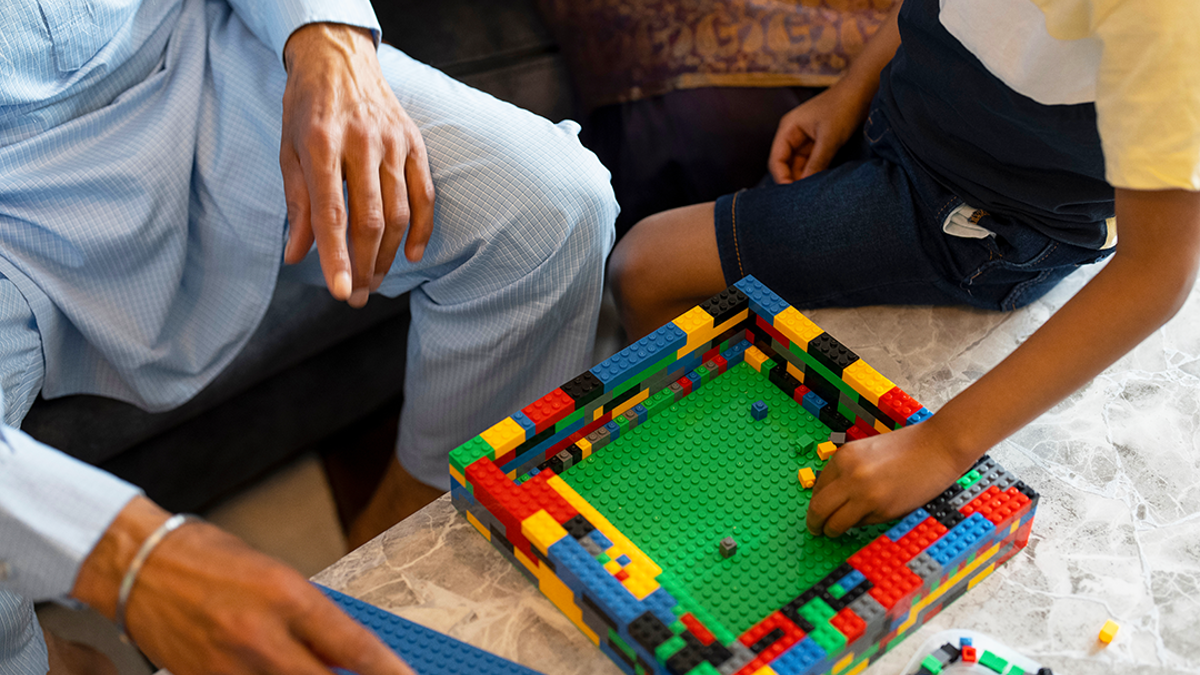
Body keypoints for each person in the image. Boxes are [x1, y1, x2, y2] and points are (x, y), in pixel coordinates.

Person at [0, 1, 617, 673]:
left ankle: (393, 566)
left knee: (553, 208)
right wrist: (129, 556)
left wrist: (325, 33)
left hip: (192, 60)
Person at [609, 0, 1200, 536]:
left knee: (646, 265)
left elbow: (1157, 273)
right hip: (901, 123)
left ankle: (719, 496)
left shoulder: (1169, 21)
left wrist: (943, 445)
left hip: (980, 224)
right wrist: (850, 92)